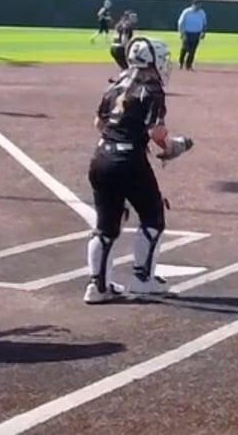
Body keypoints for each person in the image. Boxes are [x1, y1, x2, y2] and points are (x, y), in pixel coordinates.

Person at [86, 37, 191, 303]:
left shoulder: (117, 82)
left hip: (101, 158)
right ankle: (142, 279)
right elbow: (156, 132)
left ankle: (97, 287)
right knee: (153, 216)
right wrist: (172, 147)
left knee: (105, 227)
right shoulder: (152, 89)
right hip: (129, 161)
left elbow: (99, 122)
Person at [177, 1, 207, 71]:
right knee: (185, 49)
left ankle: (189, 65)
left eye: (200, 5)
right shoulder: (186, 12)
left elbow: (204, 23)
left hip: (197, 33)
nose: (199, 7)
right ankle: (181, 62)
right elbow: (180, 22)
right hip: (187, 33)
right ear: (193, 5)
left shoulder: (202, 12)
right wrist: (182, 33)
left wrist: (203, 32)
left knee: (193, 50)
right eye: (198, 5)